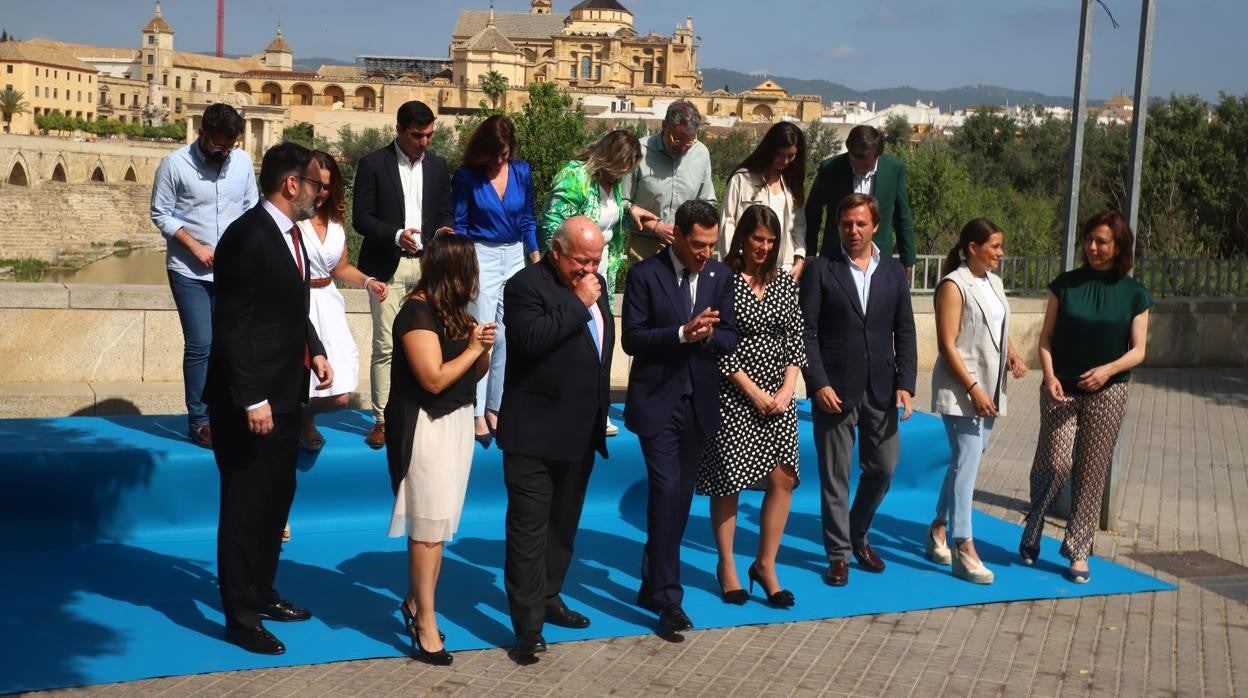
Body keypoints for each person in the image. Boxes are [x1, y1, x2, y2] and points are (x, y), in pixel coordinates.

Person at [205, 142, 333, 656]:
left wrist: (315, 349)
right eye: (316, 184)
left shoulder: (292, 235)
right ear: (291, 184)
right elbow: (231, 325)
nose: (321, 194)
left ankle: (262, 591)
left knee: (277, 498)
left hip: (286, 395)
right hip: (248, 402)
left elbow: (288, 308)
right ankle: (240, 618)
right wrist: (252, 397)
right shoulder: (247, 236)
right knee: (244, 508)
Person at [497, 216, 614, 664]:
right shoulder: (524, 286)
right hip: (534, 434)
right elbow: (530, 340)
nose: (589, 270)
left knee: (562, 528)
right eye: (581, 261)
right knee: (528, 533)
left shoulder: (596, 284)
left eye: (596, 262)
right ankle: (527, 628)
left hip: (580, 433)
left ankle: (549, 596)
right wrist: (579, 302)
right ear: (557, 250)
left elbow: (599, 349)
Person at [622, 199, 737, 637]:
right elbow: (632, 339)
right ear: (678, 237)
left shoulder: (719, 276)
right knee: (667, 490)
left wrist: (706, 336)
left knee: (679, 498)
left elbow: (730, 337)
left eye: (711, 245)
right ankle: (669, 599)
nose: (706, 253)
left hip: (699, 404)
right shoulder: (644, 275)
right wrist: (681, 334)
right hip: (657, 402)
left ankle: (651, 580)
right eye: (698, 244)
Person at [1020, 211, 1151, 584]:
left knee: (1092, 471)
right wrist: (1049, 377)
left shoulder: (1135, 294)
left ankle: (1078, 550)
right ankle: (1034, 523)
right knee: (1056, 462)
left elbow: (1138, 350)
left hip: (1109, 391)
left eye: (1101, 241)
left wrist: (1107, 371)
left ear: (1118, 246)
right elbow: (1045, 339)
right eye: (1089, 240)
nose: (1093, 247)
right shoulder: (1065, 285)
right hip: (1061, 387)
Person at [385, 232, 495, 666]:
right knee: (428, 525)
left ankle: (416, 601)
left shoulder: (455, 311)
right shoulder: (416, 313)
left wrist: (483, 350)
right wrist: (473, 349)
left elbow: (471, 373)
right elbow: (432, 379)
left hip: (454, 423)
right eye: (470, 270)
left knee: (441, 522)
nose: (475, 279)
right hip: (424, 427)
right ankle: (425, 621)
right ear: (454, 271)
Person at [799, 192, 917, 588]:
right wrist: (817, 383)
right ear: (838, 226)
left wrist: (906, 384)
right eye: (846, 224)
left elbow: (905, 330)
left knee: (884, 467)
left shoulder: (893, 272)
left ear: (875, 227)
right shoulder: (821, 269)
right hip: (834, 388)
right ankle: (839, 556)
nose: (853, 230)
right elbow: (807, 332)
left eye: (861, 223)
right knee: (835, 476)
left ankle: (857, 533)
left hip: (882, 387)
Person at [697, 205, 806, 607]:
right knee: (730, 479)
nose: (764, 247)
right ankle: (727, 566)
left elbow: (795, 337)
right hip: (734, 393)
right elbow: (715, 343)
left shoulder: (784, 283)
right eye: (758, 238)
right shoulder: (721, 279)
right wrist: (753, 392)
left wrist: (788, 387)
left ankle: (765, 565)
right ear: (742, 238)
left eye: (771, 241)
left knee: (783, 478)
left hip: (779, 397)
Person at [926, 219, 1028, 584]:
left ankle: (938, 526)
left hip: (990, 386)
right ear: (972, 247)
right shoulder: (954, 285)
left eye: (1001, 246)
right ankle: (963, 546)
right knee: (967, 461)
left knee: (967, 457)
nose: (1001, 253)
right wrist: (973, 389)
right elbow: (947, 345)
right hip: (962, 390)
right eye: (994, 246)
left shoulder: (993, 282)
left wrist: (1012, 353)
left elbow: (998, 326)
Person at [151, 102, 257, 448]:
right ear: (202, 132)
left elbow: (250, 209)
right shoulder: (174, 164)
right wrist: (194, 247)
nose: (224, 152)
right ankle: (199, 421)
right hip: (188, 271)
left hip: (231, 273)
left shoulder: (242, 163)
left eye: (230, 146)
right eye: (218, 145)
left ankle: (225, 411)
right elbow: (161, 213)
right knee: (200, 343)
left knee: (230, 343)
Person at [353, 100, 454, 449]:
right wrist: (396, 235)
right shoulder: (372, 164)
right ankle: (382, 419)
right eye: (416, 135)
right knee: (385, 343)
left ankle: (422, 411)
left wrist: (442, 232)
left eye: (429, 135)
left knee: (430, 340)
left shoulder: (439, 166)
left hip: (428, 268)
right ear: (398, 130)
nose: (424, 142)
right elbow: (361, 218)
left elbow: (445, 213)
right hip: (386, 267)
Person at [541, 129, 652, 437]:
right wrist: (572, 273)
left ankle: (596, 410)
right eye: (623, 167)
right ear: (610, 158)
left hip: (603, 273)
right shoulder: (574, 176)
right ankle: (567, 409)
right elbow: (551, 226)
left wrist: (631, 211)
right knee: (573, 342)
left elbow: (608, 219)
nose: (624, 174)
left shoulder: (611, 184)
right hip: (572, 277)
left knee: (600, 341)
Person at [452, 115, 539, 446]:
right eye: (494, 154)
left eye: (504, 154)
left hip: (515, 254)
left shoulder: (522, 171)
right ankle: (474, 410)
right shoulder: (467, 176)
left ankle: (496, 407)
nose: (499, 161)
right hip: (480, 253)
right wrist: (463, 265)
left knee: (507, 333)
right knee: (483, 331)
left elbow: (528, 218)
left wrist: (535, 258)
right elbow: (460, 224)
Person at [298, 150, 388, 451]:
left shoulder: (335, 220)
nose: (322, 192)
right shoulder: (291, 219)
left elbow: (341, 268)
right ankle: (303, 423)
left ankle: (300, 416)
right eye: (317, 184)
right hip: (299, 302)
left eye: (328, 185)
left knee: (341, 394)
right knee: (303, 380)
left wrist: (368, 282)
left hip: (329, 304)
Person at [804, 125, 916, 274]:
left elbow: (902, 215)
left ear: (877, 155)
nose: (860, 170)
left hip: (879, 258)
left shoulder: (894, 169)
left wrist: (907, 258)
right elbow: (812, 211)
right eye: (855, 163)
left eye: (866, 165)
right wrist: (809, 252)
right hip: (835, 259)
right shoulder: (830, 169)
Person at [622, 101, 717, 263]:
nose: (683, 148)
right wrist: (654, 227)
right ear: (664, 126)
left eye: (689, 142)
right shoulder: (638, 151)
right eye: (677, 140)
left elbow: (707, 202)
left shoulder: (701, 153)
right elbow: (621, 202)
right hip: (645, 248)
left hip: (688, 250)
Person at [718, 122, 808, 277]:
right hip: (746, 267)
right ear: (769, 149)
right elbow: (728, 222)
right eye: (780, 155)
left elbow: (798, 226)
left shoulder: (793, 184)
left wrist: (799, 258)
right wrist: (732, 261)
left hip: (783, 268)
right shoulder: (742, 179)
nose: (785, 161)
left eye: (790, 156)